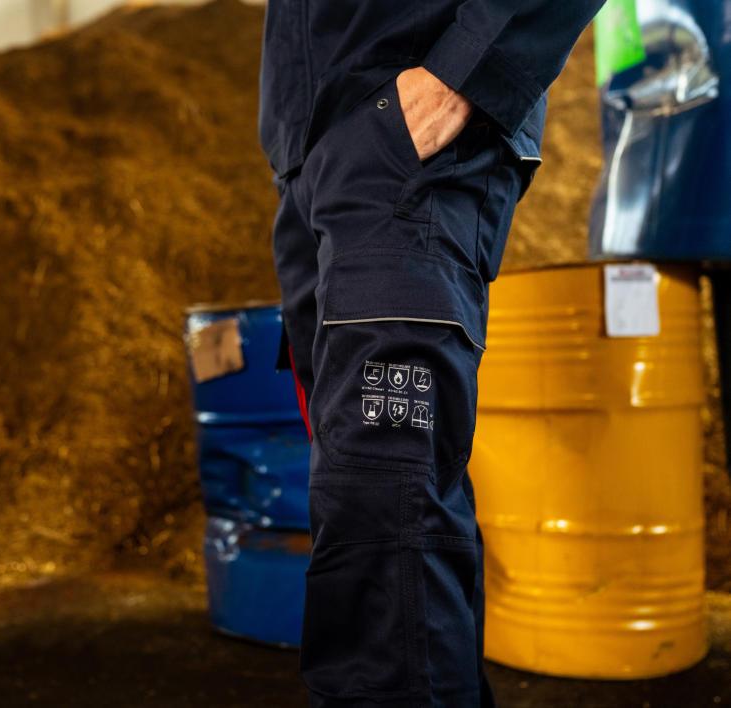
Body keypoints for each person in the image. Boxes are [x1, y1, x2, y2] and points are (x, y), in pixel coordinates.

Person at [260, 3, 605, 706]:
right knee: (369, 519)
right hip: (317, 163)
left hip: (404, 141)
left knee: (386, 519)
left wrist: (460, 77)